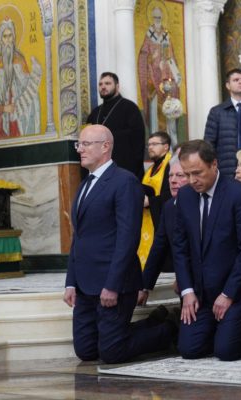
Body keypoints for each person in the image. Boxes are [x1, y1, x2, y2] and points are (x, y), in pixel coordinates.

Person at [63, 124, 174, 364]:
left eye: (85, 144)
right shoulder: (84, 185)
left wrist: (112, 285)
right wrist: (71, 282)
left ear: (105, 147)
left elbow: (128, 237)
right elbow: (78, 237)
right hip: (84, 284)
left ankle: (168, 329)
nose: (79, 149)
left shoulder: (124, 181)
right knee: (86, 350)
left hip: (114, 283)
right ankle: (151, 321)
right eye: (79, 144)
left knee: (112, 353)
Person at [172, 140, 241, 361]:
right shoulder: (185, 196)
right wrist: (187, 291)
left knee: (226, 352)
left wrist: (228, 294)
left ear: (214, 164)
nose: (192, 180)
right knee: (189, 350)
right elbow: (180, 248)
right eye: (187, 174)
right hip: (200, 294)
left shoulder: (239, 195)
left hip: (233, 291)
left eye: (197, 173)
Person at [139, 156, 188, 306]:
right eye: (170, 176)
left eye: (180, 175)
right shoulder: (169, 207)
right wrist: (144, 286)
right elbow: (158, 248)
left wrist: (185, 280)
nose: (173, 180)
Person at [0, 18, 42, 140]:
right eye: (5, 37)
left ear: (14, 38)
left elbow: (31, 97)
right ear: (0, 40)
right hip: (0, 130)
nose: (8, 40)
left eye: (10, 36)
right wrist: (3, 108)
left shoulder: (20, 61)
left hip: (18, 127)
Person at [87, 72, 146, 181]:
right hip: (99, 169)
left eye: (107, 83)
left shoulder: (130, 108)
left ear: (117, 86)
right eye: (100, 84)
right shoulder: (94, 113)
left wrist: (108, 137)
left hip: (124, 167)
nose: (103, 87)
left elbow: (137, 138)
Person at [138, 5, 183, 133]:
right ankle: (155, 135)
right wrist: (152, 58)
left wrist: (175, 72)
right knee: (154, 108)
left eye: (159, 17)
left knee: (168, 107)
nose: (157, 20)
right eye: (155, 17)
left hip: (166, 77)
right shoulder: (149, 34)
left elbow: (171, 56)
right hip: (152, 77)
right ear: (152, 18)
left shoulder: (166, 35)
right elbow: (143, 55)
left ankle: (169, 137)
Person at [138, 131, 173, 270]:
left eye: (154, 144)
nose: (150, 147)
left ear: (166, 146)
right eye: (149, 145)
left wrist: (150, 202)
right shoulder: (150, 169)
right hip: (148, 219)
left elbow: (171, 194)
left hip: (162, 220)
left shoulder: (170, 165)